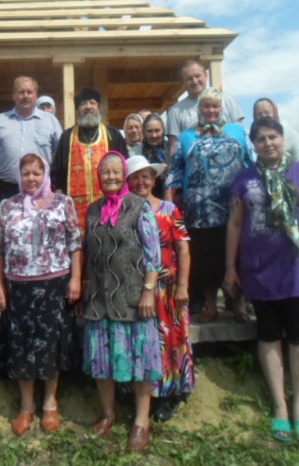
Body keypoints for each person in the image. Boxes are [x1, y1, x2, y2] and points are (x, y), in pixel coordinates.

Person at [225, 119, 299, 444]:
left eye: (272, 137)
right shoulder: (244, 178)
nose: (268, 143)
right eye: (260, 139)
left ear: (283, 139)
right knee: (269, 333)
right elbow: (235, 224)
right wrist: (230, 268)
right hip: (259, 268)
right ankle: (279, 404)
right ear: (254, 145)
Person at [0, 154, 82, 436]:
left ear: (45, 175)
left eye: (36, 173)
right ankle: (26, 405)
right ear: (19, 177)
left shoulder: (63, 202)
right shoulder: (8, 206)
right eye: (26, 173)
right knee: (23, 344)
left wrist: (76, 278)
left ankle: (50, 403)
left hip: (55, 284)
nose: (31, 178)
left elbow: (75, 243)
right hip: (18, 287)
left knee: (51, 343)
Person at [81, 151, 162, 452]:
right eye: (106, 172)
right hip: (99, 298)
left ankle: (141, 422)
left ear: (124, 175)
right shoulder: (93, 210)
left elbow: (153, 253)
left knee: (141, 361)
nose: (111, 177)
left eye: (117, 171)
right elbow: (88, 252)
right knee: (101, 360)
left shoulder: (139, 206)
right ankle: (107, 414)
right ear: (99, 176)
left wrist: (148, 291)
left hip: (132, 297)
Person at [168, 87, 253, 323]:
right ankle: (210, 306)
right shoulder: (186, 137)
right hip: (200, 209)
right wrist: (169, 205)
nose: (211, 110)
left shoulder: (238, 131)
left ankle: (238, 304)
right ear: (200, 108)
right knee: (206, 257)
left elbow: (250, 162)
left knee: (237, 254)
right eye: (206, 106)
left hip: (235, 206)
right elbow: (175, 172)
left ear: (222, 108)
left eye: (216, 106)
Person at [125, 155, 194, 421]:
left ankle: (168, 395)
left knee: (169, 341)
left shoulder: (168, 209)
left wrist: (183, 285)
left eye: (145, 176)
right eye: (135, 177)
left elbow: (183, 249)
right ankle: (141, 395)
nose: (140, 182)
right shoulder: (124, 209)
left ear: (154, 180)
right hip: (135, 288)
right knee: (141, 343)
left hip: (166, 288)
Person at [51, 87, 129, 233]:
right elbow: (57, 171)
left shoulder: (113, 135)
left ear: (98, 107)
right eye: (83, 104)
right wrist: (60, 193)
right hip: (74, 211)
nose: (88, 107)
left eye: (92, 103)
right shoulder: (67, 137)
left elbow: (125, 169)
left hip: (110, 206)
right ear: (77, 110)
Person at [0, 76, 63, 202]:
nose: (25, 96)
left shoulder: (50, 121)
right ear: (13, 95)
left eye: (29, 92)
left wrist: (60, 187)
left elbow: (62, 158)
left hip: (41, 191)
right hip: (7, 191)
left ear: (36, 95)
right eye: (21, 92)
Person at [165, 60, 244, 156]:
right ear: (182, 82)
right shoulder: (175, 112)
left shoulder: (227, 100)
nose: (194, 81)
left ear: (206, 75)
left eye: (197, 76)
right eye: (189, 78)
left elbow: (241, 136)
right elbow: (174, 149)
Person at [252, 98, 299, 162]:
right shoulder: (253, 138)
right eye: (259, 114)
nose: (264, 116)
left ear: (275, 113)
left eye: (267, 113)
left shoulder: (291, 135)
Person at [131, 113, 171, 198]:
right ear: (144, 132)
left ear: (163, 131)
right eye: (149, 131)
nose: (154, 135)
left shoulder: (172, 148)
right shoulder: (135, 152)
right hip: (143, 198)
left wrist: (170, 170)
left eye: (157, 130)